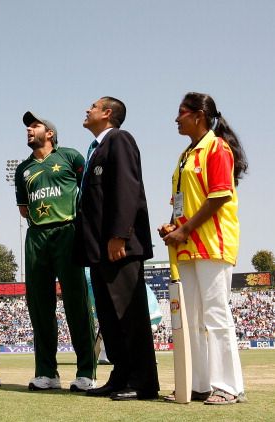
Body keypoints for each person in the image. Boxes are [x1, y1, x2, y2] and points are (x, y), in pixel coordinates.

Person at [160, 92, 248, 404]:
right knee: (193, 320)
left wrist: (184, 228)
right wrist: (173, 225)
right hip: (186, 247)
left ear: (198, 115)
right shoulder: (185, 155)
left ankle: (228, 386)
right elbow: (183, 200)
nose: (176, 119)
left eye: (181, 113)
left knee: (216, 315)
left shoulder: (217, 147)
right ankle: (198, 384)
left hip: (212, 243)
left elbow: (220, 195)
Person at [75, 97, 159, 401]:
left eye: (93, 107)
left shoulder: (119, 140)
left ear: (107, 113)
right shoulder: (97, 149)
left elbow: (127, 187)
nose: (87, 110)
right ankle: (121, 376)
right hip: (99, 250)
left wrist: (120, 234)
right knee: (110, 319)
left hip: (118, 246)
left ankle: (142, 381)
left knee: (129, 316)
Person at [14, 111, 96, 391]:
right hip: (37, 235)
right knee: (39, 306)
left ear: (49, 133)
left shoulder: (71, 157)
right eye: (27, 126)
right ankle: (47, 372)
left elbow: (89, 190)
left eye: (34, 125)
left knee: (76, 302)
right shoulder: (22, 169)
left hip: (68, 231)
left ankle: (86, 371)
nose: (28, 129)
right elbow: (24, 210)